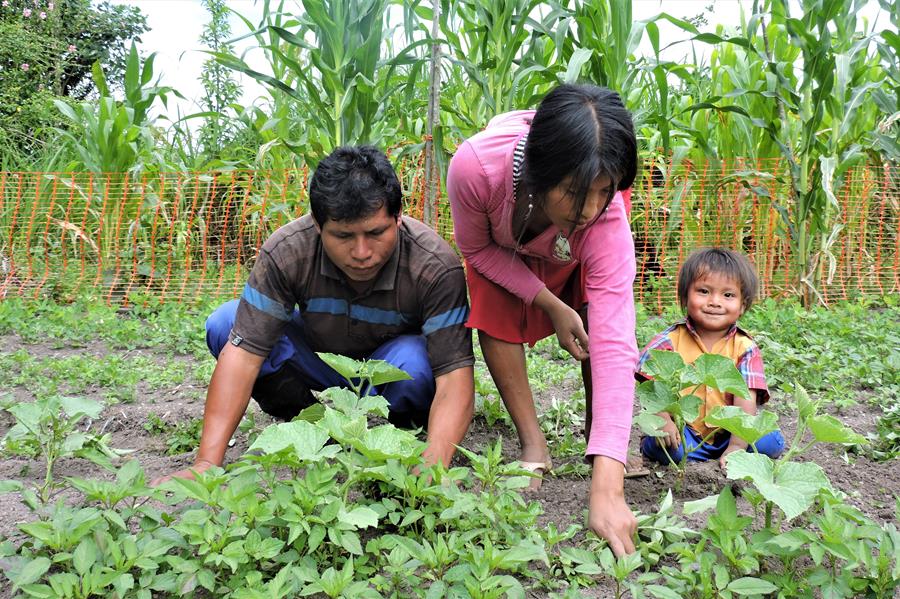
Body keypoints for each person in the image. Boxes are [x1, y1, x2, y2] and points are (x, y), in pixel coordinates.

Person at [153, 145, 475, 485]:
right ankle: (311, 426)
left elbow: (454, 376)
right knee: (226, 324)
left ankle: (403, 438)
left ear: (397, 218)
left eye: (377, 233)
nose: (362, 252)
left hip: (389, 366)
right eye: (344, 236)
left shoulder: (434, 265)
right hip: (317, 355)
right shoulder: (288, 250)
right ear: (318, 225)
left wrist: (433, 465)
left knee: (418, 365)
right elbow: (243, 356)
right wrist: (206, 463)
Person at [446, 84, 639, 556]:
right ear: (539, 173)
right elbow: (476, 249)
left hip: (565, 257)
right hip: (503, 254)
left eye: (604, 190)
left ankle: (603, 447)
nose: (591, 208)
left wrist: (608, 487)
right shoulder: (476, 170)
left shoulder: (604, 214)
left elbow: (615, 338)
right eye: (576, 192)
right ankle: (533, 444)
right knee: (490, 301)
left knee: (598, 319)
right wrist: (549, 303)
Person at [636, 247, 785, 468]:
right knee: (669, 447)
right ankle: (691, 451)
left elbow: (746, 402)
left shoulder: (745, 347)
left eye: (728, 295)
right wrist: (663, 421)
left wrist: (736, 446)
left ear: (742, 305)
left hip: (729, 432)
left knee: (770, 442)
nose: (715, 301)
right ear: (685, 297)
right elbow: (651, 390)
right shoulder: (668, 341)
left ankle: (723, 452)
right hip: (684, 430)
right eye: (704, 291)